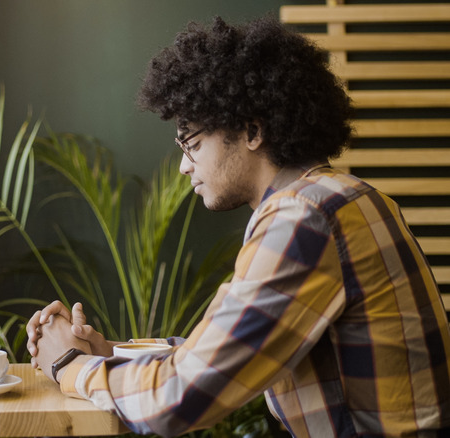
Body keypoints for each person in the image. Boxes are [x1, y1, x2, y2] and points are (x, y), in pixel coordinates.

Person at [27, 16, 450, 437]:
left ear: (251, 130)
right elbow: (223, 353)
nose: (182, 166)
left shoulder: (304, 217)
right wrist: (108, 353)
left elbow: (178, 398)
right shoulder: (347, 196)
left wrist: (70, 365)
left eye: (192, 144)